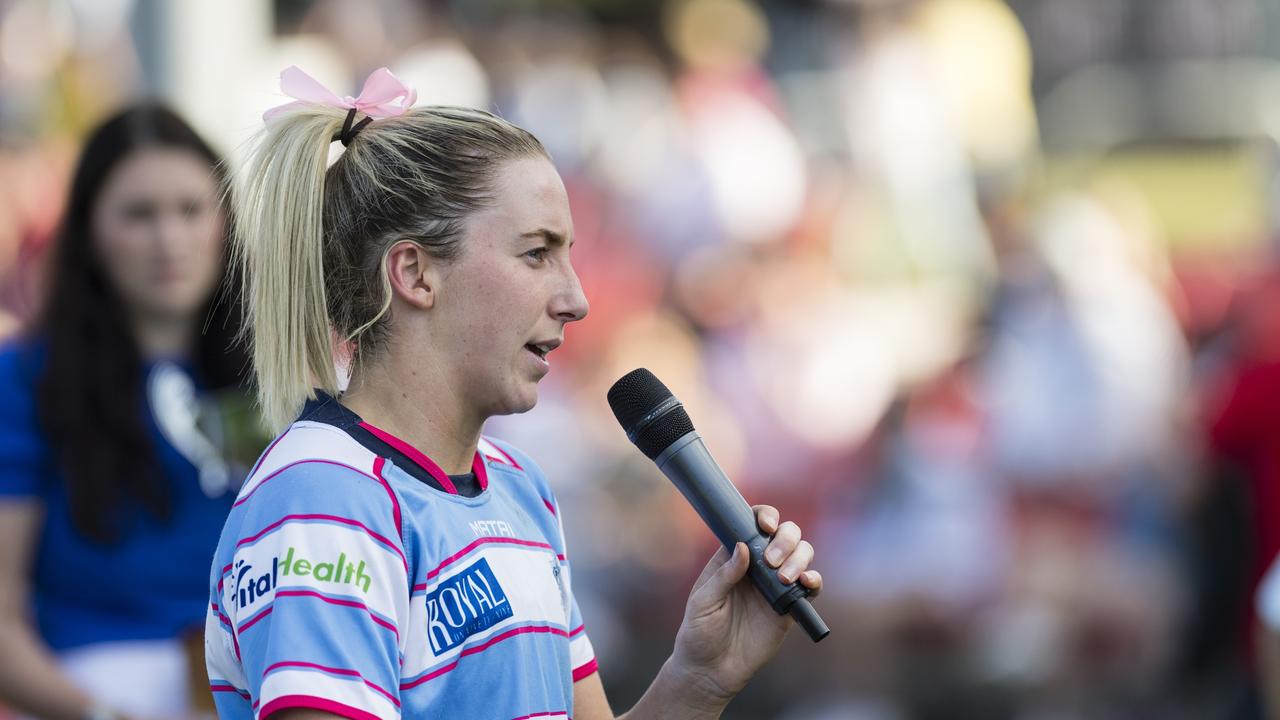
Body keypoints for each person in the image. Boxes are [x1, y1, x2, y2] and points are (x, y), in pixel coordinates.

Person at [205, 66, 822, 720]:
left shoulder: (519, 485)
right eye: (537, 254)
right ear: (413, 272)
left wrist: (700, 678)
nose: (576, 300)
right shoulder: (323, 494)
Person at [0, 104, 262, 719]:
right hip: (96, 689)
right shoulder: (25, 380)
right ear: (89, 228)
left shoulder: (274, 373)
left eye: (191, 210)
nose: (169, 239)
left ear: (225, 221)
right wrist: (96, 713)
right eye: (139, 215)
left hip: (262, 685)